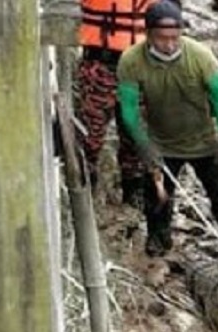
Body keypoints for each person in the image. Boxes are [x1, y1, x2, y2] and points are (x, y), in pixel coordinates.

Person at [116, 0, 218, 260]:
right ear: (148, 35)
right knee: (157, 199)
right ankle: (159, 239)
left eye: (174, 38)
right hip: (162, 143)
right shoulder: (131, 61)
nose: (169, 45)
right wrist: (143, 145)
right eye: (161, 39)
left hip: (203, 141)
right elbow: (129, 110)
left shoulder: (201, 57)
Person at [74, 0, 162, 207]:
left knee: (136, 139)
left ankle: (133, 201)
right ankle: (85, 200)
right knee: (89, 137)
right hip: (99, 65)